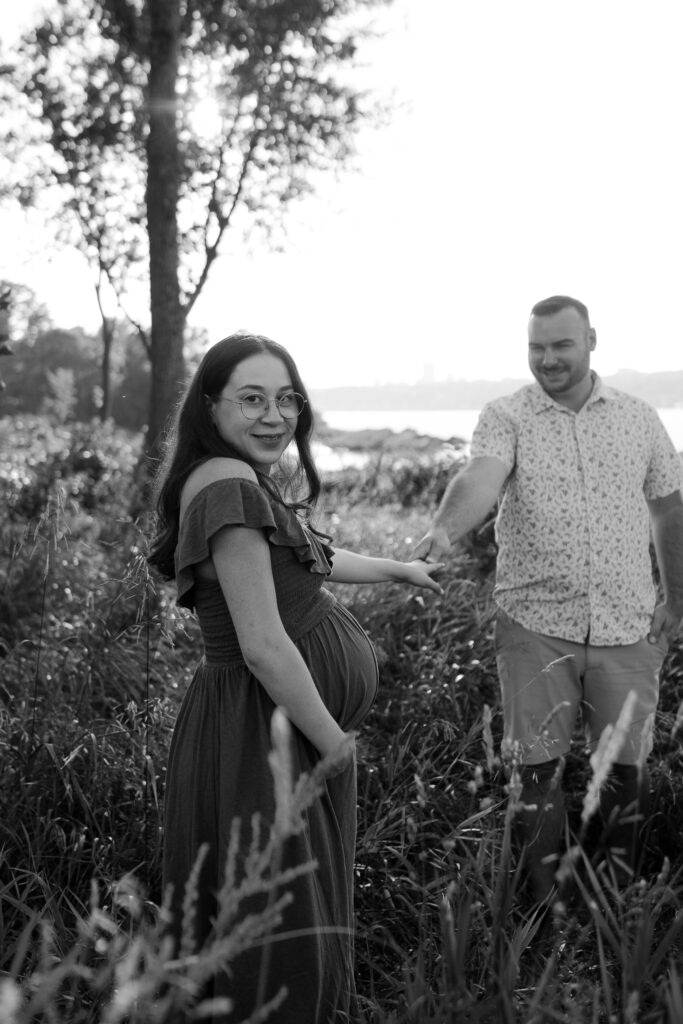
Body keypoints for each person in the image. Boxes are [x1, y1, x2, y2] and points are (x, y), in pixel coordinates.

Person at [147, 331, 443, 1023]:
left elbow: (308, 556)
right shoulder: (226, 489)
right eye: (251, 399)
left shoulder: (233, 479)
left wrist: (398, 569)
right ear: (210, 406)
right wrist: (329, 740)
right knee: (276, 924)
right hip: (267, 730)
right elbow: (263, 647)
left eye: (286, 399)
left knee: (274, 906)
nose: (274, 415)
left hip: (268, 724)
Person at [413, 295, 683, 906]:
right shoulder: (507, 415)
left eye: (561, 345)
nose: (548, 358)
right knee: (536, 773)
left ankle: (613, 902)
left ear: (591, 339)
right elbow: (480, 476)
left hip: (627, 626)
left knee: (623, 774)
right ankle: (547, 908)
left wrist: (677, 603)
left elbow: (669, 507)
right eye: (537, 347)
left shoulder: (640, 418)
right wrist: (445, 530)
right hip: (534, 625)